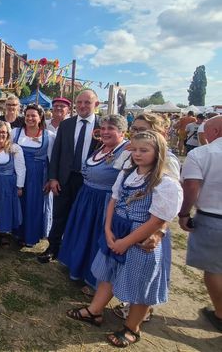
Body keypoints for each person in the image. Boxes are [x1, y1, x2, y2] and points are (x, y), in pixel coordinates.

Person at [66, 131, 183, 348]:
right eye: (135, 149)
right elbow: (113, 199)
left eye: (144, 150)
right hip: (117, 228)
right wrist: (108, 228)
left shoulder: (165, 183)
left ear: (158, 152)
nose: (137, 154)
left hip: (139, 236)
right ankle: (95, 311)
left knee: (139, 281)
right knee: (108, 273)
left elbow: (157, 220)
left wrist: (126, 241)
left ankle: (132, 328)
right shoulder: (128, 174)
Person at [111, 112, 181, 320]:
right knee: (125, 263)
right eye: (135, 130)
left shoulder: (168, 161)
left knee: (143, 269)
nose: (138, 133)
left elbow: (168, 203)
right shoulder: (132, 153)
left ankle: (140, 312)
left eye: (143, 130)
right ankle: (127, 301)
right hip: (125, 213)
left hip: (150, 224)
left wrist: (160, 231)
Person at [58, 115, 128, 292]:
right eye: (103, 128)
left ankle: (93, 279)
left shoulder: (126, 151)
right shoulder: (101, 147)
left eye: (110, 128)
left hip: (103, 202)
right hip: (87, 197)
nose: (105, 132)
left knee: (95, 240)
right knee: (83, 234)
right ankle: (77, 267)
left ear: (122, 132)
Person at [39, 89, 100, 263]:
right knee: (60, 215)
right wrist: (53, 178)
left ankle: (75, 253)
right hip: (65, 179)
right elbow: (56, 153)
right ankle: (53, 248)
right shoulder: (66, 125)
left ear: (96, 104)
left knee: (82, 218)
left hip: (88, 181)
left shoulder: (102, 126)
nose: (82, 106)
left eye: (87, 102)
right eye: (79, 102)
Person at [178, 115, 222, 332]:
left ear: (213, 132)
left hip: (213, 218)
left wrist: (184, 213)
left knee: (214, 268)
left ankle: (221, 313)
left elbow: (191, 187)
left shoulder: (202, 154)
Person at [12, 104, 55, 246]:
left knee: (35, 205)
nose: (30, 118)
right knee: (20, 203)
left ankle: (32, 237)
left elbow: (52, 159)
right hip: (18, 173)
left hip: (38, 175)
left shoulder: (48, 136)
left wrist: (50, 179)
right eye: (27, 115)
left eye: (33, 115)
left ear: (40, 117)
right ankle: (17, 234)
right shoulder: (16, 133)